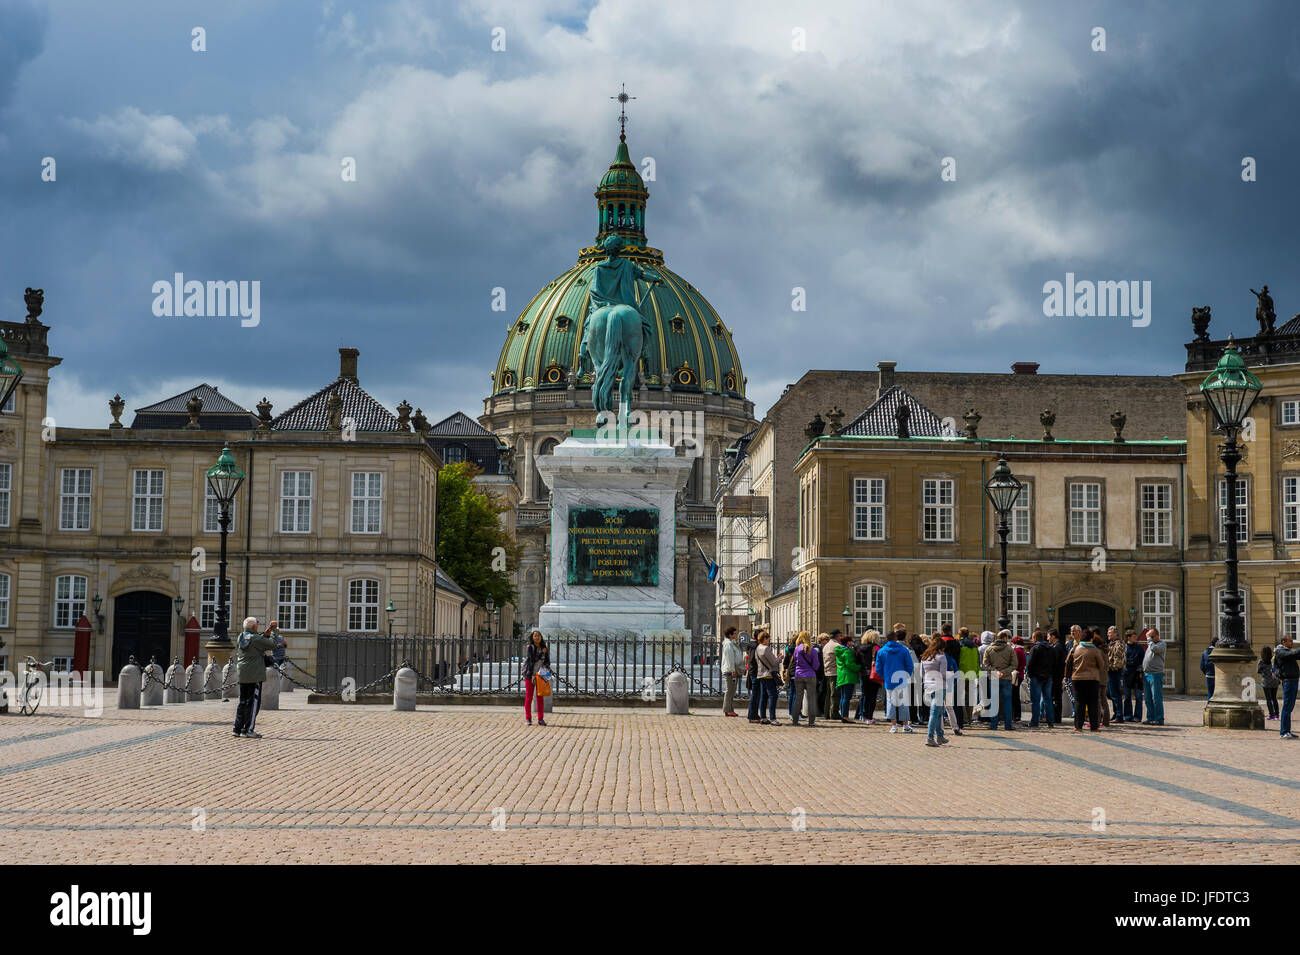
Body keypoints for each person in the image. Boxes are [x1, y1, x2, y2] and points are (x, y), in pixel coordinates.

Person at [233, 617, 278, 739]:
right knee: (253, 703)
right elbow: (273, 644)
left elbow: (257, 641)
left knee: (243, 701)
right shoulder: (255, 638)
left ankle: (237, 728)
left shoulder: (241, 636)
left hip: (243, 672)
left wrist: (265, 633)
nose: (257, 626)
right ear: (253, 627)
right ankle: (248, 729)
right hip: (255, 674)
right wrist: (274, 631)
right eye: (257, 625)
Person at [875, 627, 915, 733]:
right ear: (896, 638)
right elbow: (910, 665)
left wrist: (885, 676)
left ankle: (894, 725)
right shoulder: (903, 650)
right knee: (903, 702)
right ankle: (905, 726)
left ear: (887, 639)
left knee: (891, 702)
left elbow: (878, 667)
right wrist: (906, 675)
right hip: (901, 679)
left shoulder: (882, 651)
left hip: (889, 680)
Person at [1065, 630, 1107, 732]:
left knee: (1079, 702)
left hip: (1077, 679)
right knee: (1093, 703)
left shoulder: (1075, 649)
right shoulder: (1095, 650)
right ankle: (1094, 726)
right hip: (1093, 679)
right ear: (1091, 639)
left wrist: (1066, 676)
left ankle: (1078, 726)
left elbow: (1068, 663)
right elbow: (1101, 665)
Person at [982, 630, 1017, 730]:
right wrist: (1004, 672)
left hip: (993, 677)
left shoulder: (989, 649)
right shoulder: (1010, 649)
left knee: (994, 702)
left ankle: (993, 725)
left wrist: (995, 671)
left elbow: (985, 664)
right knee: (1007, 702)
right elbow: (1014, 664)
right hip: (1006, 678)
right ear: (1005, 638)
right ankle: (1008, 725)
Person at [920, 634, 951, 747]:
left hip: (928, 686)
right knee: (934, 713)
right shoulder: (942, 657)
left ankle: (940, 736)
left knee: (937, 713)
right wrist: (951, 674)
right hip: (938, 686)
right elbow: (943, 674)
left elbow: (921, 674)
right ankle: (929, 737)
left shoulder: (924, 657)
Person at [1025, 629, 1056, 729]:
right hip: (1048, 677)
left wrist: (1029, 674)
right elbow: (1054, 662)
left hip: (1036, 677)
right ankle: (1050, 722)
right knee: (1048, 700)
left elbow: (1029, 664)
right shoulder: (1051, 648)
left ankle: (1035, 721)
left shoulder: (1035, 648)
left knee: (1036, 700)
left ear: (1035, 638)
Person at [790, 631, 821, 727]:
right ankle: (811, 721)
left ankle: (795, 719)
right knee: (811, 698)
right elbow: (816, 666)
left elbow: (796, 661)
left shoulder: (796, 649)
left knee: (798, 698)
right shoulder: (813, 651)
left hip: (798, 675)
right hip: (810, 675)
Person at [522, 629, 552, 726]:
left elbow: (547, 661)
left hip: (541, 675)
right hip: (530, 674)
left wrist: (545, 666)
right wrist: (532, 675)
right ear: (532, 638)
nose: (537, 637)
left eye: (538, 635)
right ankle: (528, 718)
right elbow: (532, 660)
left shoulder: (544, 648)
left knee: (540, 697)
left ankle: (540, 718)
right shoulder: (530, 647)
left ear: (541, 637)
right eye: (535, 635)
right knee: (529, 697)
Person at [1275, 633, 1300, 740]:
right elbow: (1293, 655)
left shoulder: (1287, 651)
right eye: (1290, 641)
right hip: (1289, 681)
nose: (1292, 642)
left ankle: (1287, 731)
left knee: (1289, 707)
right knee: (1287, 707)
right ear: (1283, 642)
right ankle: (1284, 731)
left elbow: (1297, 655)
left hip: (1293, 681)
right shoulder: (1280, 651)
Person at [753, 631, 782, 724]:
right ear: (764, 639)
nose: (769, 640)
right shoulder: (766, 648)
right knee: (773, 695)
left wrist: (775, 659)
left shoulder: (757, 648)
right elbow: (773, 662)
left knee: (763, 696)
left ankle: (763, 717)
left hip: (761, 674)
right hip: (768, 675)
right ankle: (773, 718)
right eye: (768, 639)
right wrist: (780, 658)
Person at [832, 632, 861, 723]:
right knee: (846, 697)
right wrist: (860, 667)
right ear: (848, 642)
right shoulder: (847, 652)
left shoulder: (839, 650)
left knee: (843, 697)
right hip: (848, 676)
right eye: (850, 641)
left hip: (842, 675)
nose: (852, 643)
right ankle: (845, 716)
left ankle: (843, 714)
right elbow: (850, 664)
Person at [1142, 627, 1167, 726]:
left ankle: (1159, 719)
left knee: (1156, 698)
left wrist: (1148, 639)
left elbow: (1154, 649)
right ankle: (1150, 717)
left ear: (1157, 636)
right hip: (1146, 674)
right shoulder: (1150, 644)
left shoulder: (1162, 644)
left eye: (1152, 636)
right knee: (1148, 698)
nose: (1150, 639)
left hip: (1156, 674)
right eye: (1149, 637)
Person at [957, 628, 981, 726]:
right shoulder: (974, 646)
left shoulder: (959, 645)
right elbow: (977, 660)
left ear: (960, 634)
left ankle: (964, 718)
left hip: (962, 672)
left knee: (960, 697)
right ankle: (969, 719)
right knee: (970, 697)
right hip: (972, 673)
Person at [855, 633, 881, 723]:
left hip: (863, 674)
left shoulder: (859, 648)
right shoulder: (876, 648)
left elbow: (857, 660)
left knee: (865, 695)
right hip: (873, 674)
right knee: (873, 696)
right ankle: (870, 716)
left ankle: (864, 716)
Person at [719, 627, 743, 717]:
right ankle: (727, 709)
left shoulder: (731, 643)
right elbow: (730, 658)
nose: (736, 635)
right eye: (734, 633)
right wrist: (732, 670)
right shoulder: (728, 644)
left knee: (732, 691)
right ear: (730, 634)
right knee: (730, 691)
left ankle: (730, 709)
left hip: (732, 670)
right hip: (730, 671)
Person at [1123, 628, 1145, 723]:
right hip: (1127, 674)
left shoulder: (1139, 648)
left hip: (1137, 674)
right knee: (1127, 696)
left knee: (1138, 696)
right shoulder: (1124, 647)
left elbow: (1143, 660)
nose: (1136, 638)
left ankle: (1137, 716)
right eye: (1134, 636)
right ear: (1128, 637)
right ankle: (1127, 715)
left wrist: (1140, 671)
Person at [1105, 626, 1126, 722]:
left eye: (1110, 633)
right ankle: (1116, 714)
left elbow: (1118, 659)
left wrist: (1111, 667)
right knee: (1110, 693)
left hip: (1114, 671)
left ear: (1115, 634)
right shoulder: (1111, 643)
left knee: (1115, 694)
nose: (1108, 634)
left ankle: (1119, 715)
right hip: (1110, 671)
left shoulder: (1119, 644)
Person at [908, 628, 929, 724]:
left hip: (913, 674)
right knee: (923, 697)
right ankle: (924, 716)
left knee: (912, 698)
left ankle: (913, 717)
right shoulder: (925, 648)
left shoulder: (910, 648)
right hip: (924, 674)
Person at [1048, 629, 1066, 722]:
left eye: (1048, 636)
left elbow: (1054, 663)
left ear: (1053, 636)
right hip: (1058, 675)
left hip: (1056, 676)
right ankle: (1056, 717)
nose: (1047, 638)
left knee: (1056, 697)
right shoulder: (1059, 646)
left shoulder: (1056, 647)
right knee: (1057, 696)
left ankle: (1056, 717)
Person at [821, 631, 840, 719]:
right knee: (834, 694)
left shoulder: (826, 646)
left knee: (828, 694)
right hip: (834, 672)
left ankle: (827, 713)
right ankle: (833, 713)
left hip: (827, 672)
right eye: (840, 636)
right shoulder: (836, 646)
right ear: (836, 636)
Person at [1259, 645, 1280, 721]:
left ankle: (1272, 715)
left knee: (1268, 699)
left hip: (1266, 682)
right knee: (1274, 698)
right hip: (1274, 681)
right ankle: (1277, 714)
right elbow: (1278, 669)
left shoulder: (1261, 661)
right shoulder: (1274, 660)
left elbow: (1259, 671)